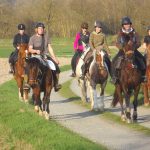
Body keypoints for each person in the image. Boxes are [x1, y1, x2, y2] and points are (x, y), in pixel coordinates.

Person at [111, 16, 146, 84]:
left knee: (142, 59)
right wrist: (123, 47)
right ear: (123, 25)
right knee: (114, 60)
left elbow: (138, 42)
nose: (127, 25)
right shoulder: (120, 33)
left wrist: (133, 46)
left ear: (130, 24)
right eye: (125, 24)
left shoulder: (135, 33)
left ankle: (143, 77)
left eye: (128, 24)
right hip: (123, 51)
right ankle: (114, 77)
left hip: (133, 50)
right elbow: (117, 43)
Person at [28, 22, 61, 92]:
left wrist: (55, 58)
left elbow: (50, 48)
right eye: (39, 28)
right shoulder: (32, 38)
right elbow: (30, 49)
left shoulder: (46, 37)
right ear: (36, 29)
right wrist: (36, 51)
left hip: (45, 56)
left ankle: (56, 84)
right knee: (28, 67)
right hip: (35, 57)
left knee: (55, 67)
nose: (41, 30)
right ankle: (27, 83)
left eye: (42, 28)